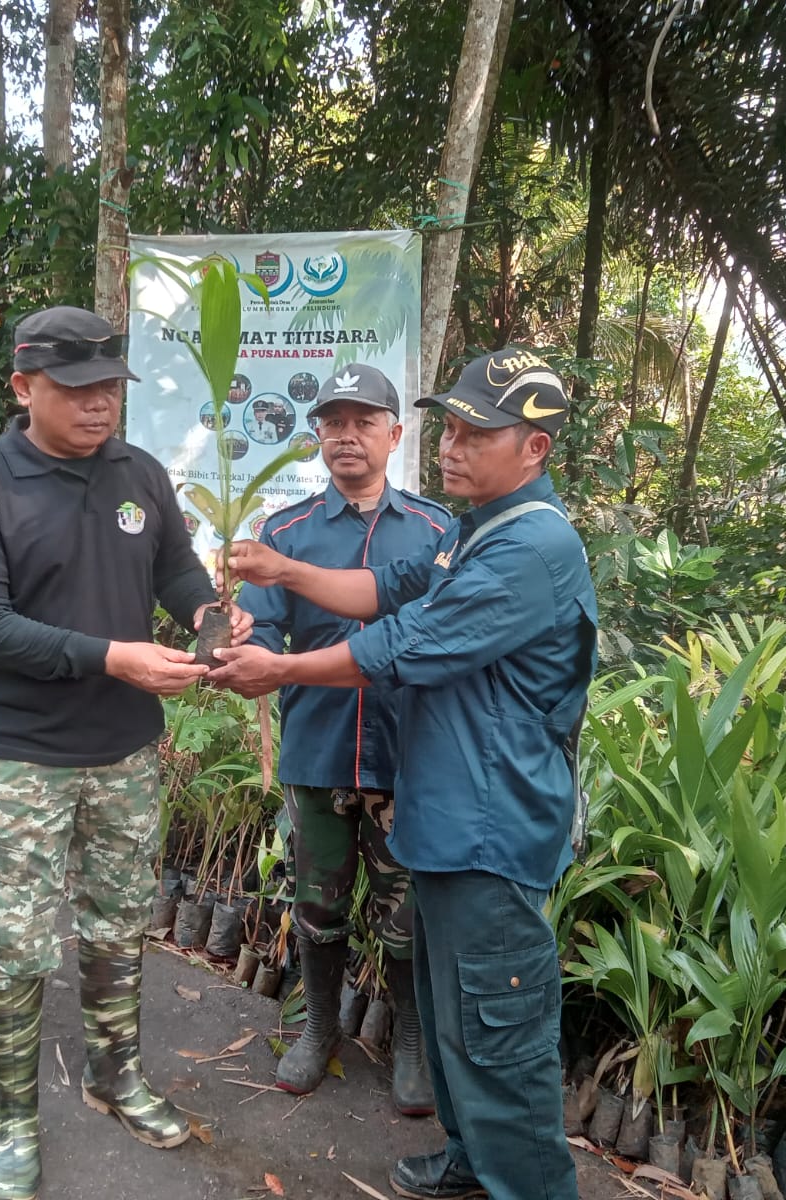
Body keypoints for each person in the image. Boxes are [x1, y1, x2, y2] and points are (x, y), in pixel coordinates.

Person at [209, 348, 595, 1200]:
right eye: (448, 430)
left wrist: (282, 670)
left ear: (535, 448)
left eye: (475, 435)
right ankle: (471, 1162)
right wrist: (282, 571)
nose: (452, 448)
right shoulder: (472, 529)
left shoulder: (530, 546)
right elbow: (386, 588)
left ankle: (526, 1184)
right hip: (445, 817)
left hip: (492, 829)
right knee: (458, 1013)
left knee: (499, 1026)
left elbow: (401, 644)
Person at [0, 305, 251, 1200]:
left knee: (118, 919)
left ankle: (116, 1074)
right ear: (23, 387)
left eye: (110, 386)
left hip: (124, 749)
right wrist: (114, 656)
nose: (98, 403)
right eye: (76, 389)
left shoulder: (137, 472)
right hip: (21, 752)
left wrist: (205, 614)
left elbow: (174, 567)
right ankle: (15, 1116)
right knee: (12, 940)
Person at [238, 364, 449, 1114]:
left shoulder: (436, 533)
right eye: (334, 423)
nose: (348, 436)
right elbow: (260, 628)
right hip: (318, 750)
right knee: (317, 904)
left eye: (364, 422)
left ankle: (411, 1042)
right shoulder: (284, 534)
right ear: (317, 437)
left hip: (408, 758)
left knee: (408, 914)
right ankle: (319, 1025)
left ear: (395, 435)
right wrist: (243, 648)